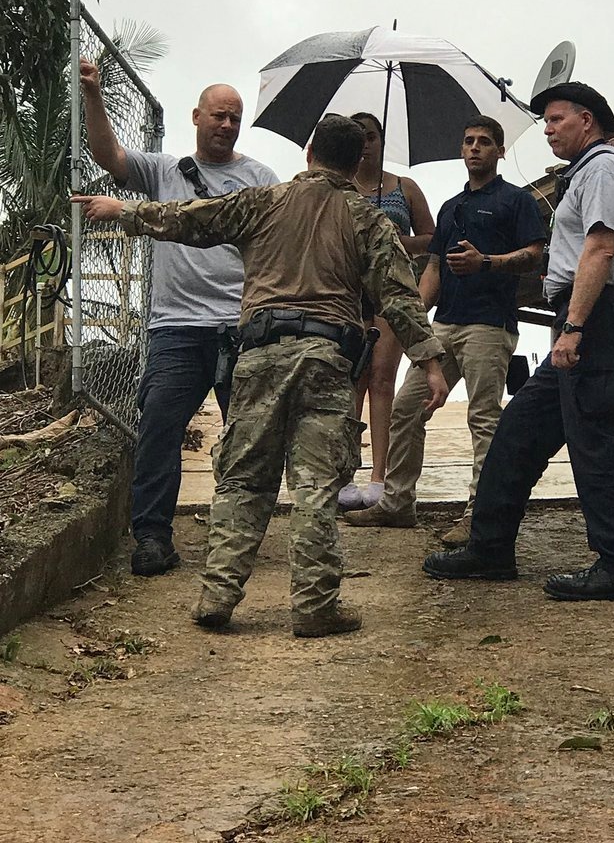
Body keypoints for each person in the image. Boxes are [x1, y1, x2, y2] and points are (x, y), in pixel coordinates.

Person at [73, 114, 448, 637]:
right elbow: (400, 299)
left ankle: (217, 595)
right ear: (355, 159)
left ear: (310, 151)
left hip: (258, 354)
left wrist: (125, 211)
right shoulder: (368, 220)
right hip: (326, 356)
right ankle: (315, 605)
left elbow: (189, 218)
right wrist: (431, 363)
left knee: (243, 477)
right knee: (317, 484)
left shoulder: (262, 201)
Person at [422, 83, 614, 599]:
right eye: (545, 121)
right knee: (518, 431)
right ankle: (491, 548)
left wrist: (573, 328)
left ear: (586, 121)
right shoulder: (584, 173)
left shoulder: (605, 169)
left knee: (594, 442)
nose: (546, 129)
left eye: (555, 119)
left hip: (595, 317)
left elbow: (600, 250)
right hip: (582, 315)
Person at [78, 59, 279, 578]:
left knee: (251, 438)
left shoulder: (260, 178)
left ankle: (241, 537)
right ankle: (151, 538)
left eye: (235, 118)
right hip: (175, 328)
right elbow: (109, 154)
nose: (227, 125)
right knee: (159, 430)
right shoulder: (164, 171)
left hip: (243, 326)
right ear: (196, 116)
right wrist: (94, 95)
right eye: (219, 115)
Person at [345, 115, 547, 546]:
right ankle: (398, 503)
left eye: (485, 142)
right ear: (462, 149)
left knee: (484, 419)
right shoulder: (452, 207)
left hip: (489, 326)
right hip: (444, 326)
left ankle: (481, 516)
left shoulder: (517, 201)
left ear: (499, 151)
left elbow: (533, 255)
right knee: (406, 408)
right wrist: (412, 317)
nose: (475, 148)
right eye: (469, 141)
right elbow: (434, 267)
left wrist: (488, 262)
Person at [338, 111, 434, 510]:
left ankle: (380, 475)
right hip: (346, 294)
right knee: (350, 381)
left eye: (372, 135)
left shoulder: (403, 188)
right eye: (357, 136)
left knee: (381, 378)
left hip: (390, 293)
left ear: (381, 140)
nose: (365, 143)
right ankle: (344, 473)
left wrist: (400, 242)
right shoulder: (339, 189)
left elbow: (431, 238)